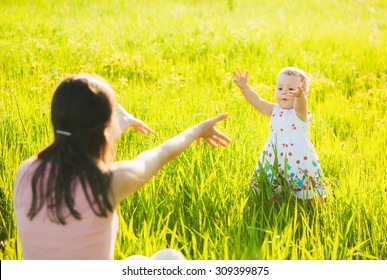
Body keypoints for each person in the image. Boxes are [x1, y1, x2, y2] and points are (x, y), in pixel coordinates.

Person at [13, 73, 231, 260]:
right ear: (105, 128)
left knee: (136, 261)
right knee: (169, 258)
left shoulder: (25, 172)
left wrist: (119, 123)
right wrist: (198, 129)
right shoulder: (106, 183)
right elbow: (161, 153)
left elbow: (79, 138)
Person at [233, 67, 326, 202]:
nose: (284, 92)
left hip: (297, 159)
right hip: (274, 156)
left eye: (290, 89)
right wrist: (245, 87)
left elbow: (301, 105)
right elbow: (257, 101)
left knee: (307, 195)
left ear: (304, 93)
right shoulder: (274, 110)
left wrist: (300, 97)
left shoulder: (300, 113)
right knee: (274, 191)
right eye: (280, 88)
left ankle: (312, 211)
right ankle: (275, 212)